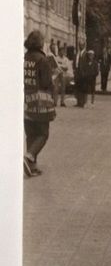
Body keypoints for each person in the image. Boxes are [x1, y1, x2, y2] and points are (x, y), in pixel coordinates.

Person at [23, 30, 56, 177]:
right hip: (40, 101)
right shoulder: (42, 60)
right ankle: (29, 155)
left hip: (25, 99)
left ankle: (32, 166)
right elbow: (46, 82)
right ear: (40, 42)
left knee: (30, 133)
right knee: (43, 133)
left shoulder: (25, 57)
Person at [73, 41, 88, 107]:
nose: (80, 46)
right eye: (79, 45)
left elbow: (87, 64)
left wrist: (85, 72)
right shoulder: (77, 54)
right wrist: (74, 69)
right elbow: (75, 62)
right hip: (77, 72)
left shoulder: (86, 54)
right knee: (77, 87)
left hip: (83, 73)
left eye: (81, 45)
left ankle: (82, 102)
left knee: (83, 88)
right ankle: (78, 101)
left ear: (84, 45)